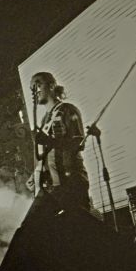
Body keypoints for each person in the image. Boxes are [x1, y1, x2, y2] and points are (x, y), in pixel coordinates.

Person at [29, 71, 90, 211]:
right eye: (31, 88)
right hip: (55, 187)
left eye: (37, 85)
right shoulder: (44, 120)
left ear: (51, 86)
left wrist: (49, 141)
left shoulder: (67, 109)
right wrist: (36, 174)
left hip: (71, 182)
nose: (34, 91)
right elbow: (48, 154)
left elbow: (77, 143)